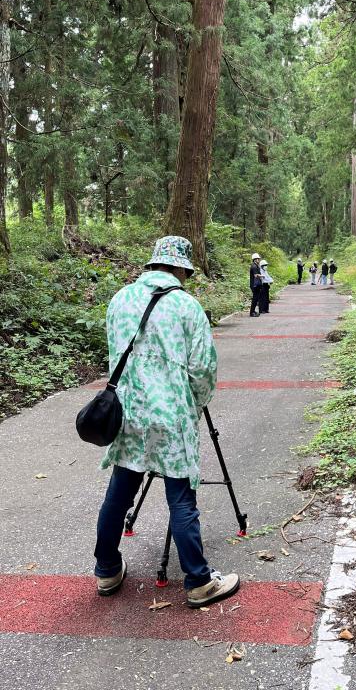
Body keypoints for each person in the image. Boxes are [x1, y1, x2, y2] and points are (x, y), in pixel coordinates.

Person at [94, 235, 239, 609]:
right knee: (180, 497)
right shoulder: (187, 306)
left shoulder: (119, 300)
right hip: (171, 414)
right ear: (181, 268)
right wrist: (193, 405)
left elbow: (114, 354)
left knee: (120, 491)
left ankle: (107, 569)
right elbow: (203, 369)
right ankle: (198, 581)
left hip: (127, 412)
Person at [249, 252, 262, 317]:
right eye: (257, 259)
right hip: (254, 285)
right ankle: (252, 312)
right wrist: (262, 276)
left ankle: (253, 311)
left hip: (256, 285)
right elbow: (255, 275)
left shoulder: (256, 265)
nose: (258, 260)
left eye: (258, 259)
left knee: (256, 299)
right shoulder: (254, 266)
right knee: (254, 299)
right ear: (254, 259)